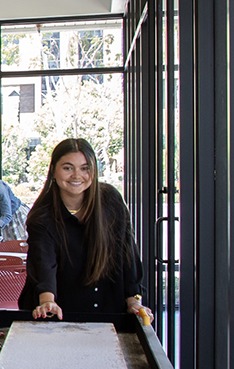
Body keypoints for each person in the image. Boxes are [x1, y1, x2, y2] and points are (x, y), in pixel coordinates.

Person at [19, 138, 152, 324]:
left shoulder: (110, 200)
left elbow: (127, 252)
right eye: (67, 168)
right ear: (53, 171)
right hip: (60, 314)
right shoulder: (42, 215)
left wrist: (133, 300)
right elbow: (43, 262)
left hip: (109, 311)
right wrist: (47, 301)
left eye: (85, 168)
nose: (76, 175)